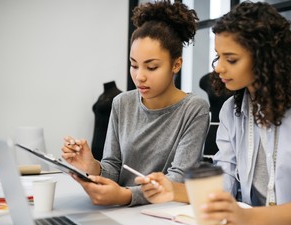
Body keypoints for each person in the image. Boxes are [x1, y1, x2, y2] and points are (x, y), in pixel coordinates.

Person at [136, 1, 291, 225]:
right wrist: (173, 190)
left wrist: (246, 218)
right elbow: (225, 182)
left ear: (265, 58)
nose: (218, 68)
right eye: (218, 56)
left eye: (231, 59)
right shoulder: (233, 109)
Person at [61, 0, 210, 207]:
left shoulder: (194, 109)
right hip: (120, 209)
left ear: (176, 64)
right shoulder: (122, 103)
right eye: (134, 65)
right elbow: (112, 168)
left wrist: (126, 196)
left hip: (164, 214)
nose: (139, 76)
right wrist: (92, 166)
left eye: (151, 67)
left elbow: (177, 181)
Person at [91, 81, 122, 161]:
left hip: (108, 143)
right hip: (96, 141)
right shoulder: (102, 96)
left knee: (106, 170)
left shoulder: (119, 97)